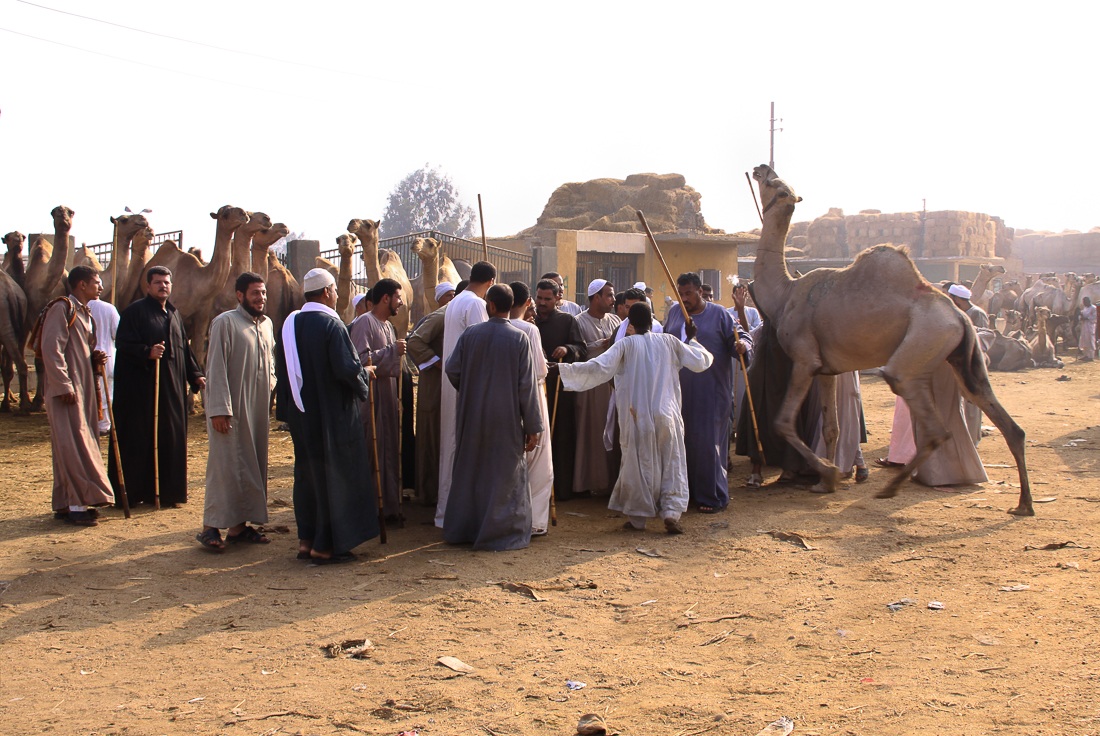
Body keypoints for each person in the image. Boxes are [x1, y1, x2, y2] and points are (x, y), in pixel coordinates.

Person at [555, 303, 712, 533]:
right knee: (671, 461)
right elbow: (700, 361)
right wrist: (692, 338)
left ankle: (638, 518)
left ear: (630, 323)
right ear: (651, 321)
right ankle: (670, 512)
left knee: (638, 464)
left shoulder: (626, 345)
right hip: (667, 414)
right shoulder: (669, 342)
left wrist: (561, 371)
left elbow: (598, 367)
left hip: (637, 418)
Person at [275, 267, 379, 563]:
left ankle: (307, 542)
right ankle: (326, 546)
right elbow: (347, 369)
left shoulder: (289, 324)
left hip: (302, 416)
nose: (336, 295)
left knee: (308, 476)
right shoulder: (332, 326)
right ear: (326, 292)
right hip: (333, 418)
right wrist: (365, 374)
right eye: (334, 290)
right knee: (336, 476)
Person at [443, 284, 543, 550]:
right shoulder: (519, 338)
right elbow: (527, 386)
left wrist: (472, 390)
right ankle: (500, 533)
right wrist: (533, 426)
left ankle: (464, 530)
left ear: (491, 306)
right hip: (506, 418)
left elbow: (452, 369)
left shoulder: (470, 335)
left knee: (471, 471)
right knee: (503, 475)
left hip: (472, 415)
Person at [110, 266, 205, 508]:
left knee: (171, 438)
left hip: (172, 391)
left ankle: (169, 493)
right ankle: (136, 493)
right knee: (140, 440)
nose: (163, 286)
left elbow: (184, 349)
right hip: (142, 393)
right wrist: (147, 352)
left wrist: (195, 375)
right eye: (158, 282)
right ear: (148, 286)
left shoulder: (173, 314)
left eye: (167, 282)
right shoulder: (135, 312)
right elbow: (123, 343)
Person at [197, 272, 276, 550]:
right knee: (226, 467)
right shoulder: (225, 323)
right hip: (229, 410)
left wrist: (271, 384)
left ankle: (239, 528)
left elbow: (271, 362)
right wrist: (219, 408)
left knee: (252, 464)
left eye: (263, 293)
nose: (261, 298)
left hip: (256, 409)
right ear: (240, 295)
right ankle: (210, 527)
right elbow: (215, 368)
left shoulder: (266, 324)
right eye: (255, 293)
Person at [664, 272, 751, 512]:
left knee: (708, 444)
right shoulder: (674, 313)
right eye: (680, 294)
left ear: (700, 292)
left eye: (688, 293)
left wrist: (742, 346)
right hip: (678, 391)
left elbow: (741, 337)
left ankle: (712, 496)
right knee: (681, 444)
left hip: (710, 392)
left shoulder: (719, 314)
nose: (684, 298)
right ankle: (685, 494)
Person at [42, 266, 114, 526]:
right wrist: (63, 385)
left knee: (74, 441)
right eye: (96, 282)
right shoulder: (61, 309)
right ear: (82, 285)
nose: (100, 286)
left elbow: (76, 349)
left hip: (82, 388)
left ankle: (67, 502)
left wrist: (93, 359)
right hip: (67, 391)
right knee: (74, 443)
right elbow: (52, 348)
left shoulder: (85, 313)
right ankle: (77, 505)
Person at [437, 261, 496, 527]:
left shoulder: (457, 301)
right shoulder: (474, 304)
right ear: (491, 282)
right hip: (466, 384)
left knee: (451, 447)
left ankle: (446, 513)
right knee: (460, 448)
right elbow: (483, 343)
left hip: (453, 382)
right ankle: (456, 515)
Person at [350, 277, 406, 519]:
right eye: (398, 298)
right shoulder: (364, 323)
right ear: (386, 298)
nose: (401, 303)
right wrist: (393, 351)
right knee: (374, 451)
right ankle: (372, 509)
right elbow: (361, 360)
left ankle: (390, 506)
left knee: (389, 450)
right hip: (372, 401)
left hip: (388, 398)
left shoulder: (387, 326)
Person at [534, 278, 586, 501]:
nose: (542, 303)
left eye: (547, 299)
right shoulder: (529, 320)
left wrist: (567, 348)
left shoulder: (567, 321)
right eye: (539, 298)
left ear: (557, 299)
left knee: (561, 437)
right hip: (534, 388)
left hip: (558, 389)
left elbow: (580, 348)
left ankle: (561, 490)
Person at [508, 281, 553, 536]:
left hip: (505, 398)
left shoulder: (485, 327)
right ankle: (534, 520)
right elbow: (540, 369)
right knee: (538, 463)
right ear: (527, 303)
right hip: (533, 396)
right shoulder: (529, 330)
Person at [407, 282, 456, 507]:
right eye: (449, 295)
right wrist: (438, 363)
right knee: (432, 438)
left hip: (451, 388)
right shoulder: (441, 316)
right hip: (434, 389)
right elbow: (414, 342)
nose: (452, 298)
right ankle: (428, 493)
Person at [574, 279, 622, 495]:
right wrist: (602, 344)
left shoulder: (615, 321)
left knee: (611, 433)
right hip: (591, 388)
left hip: (612, 386)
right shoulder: (579, 322)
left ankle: (611, 482)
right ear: (596, 298)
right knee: (592, 432)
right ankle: (591, 482)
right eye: (609, 295)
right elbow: (579, 351)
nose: (613, 300)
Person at [86, 293, 119, 435]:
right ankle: (104, 424)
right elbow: (117, 333)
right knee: (106, 392)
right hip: (106, 354)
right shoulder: (109, 308)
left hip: (87, 356)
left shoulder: (77, 307)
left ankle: (92, 423)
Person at [1079, 296, 1097, 361]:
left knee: (1090, 341)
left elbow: (1094, 317)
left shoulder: (1093, 308)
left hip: (1090, 326)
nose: (1084, 303)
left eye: (1085, 302)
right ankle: (1085, 355)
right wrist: (1080, 316)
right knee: (1084, 341)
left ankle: (1091, 356)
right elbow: (1082, 315)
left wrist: (1086, 318)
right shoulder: (1085, 308)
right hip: (1084, 326)